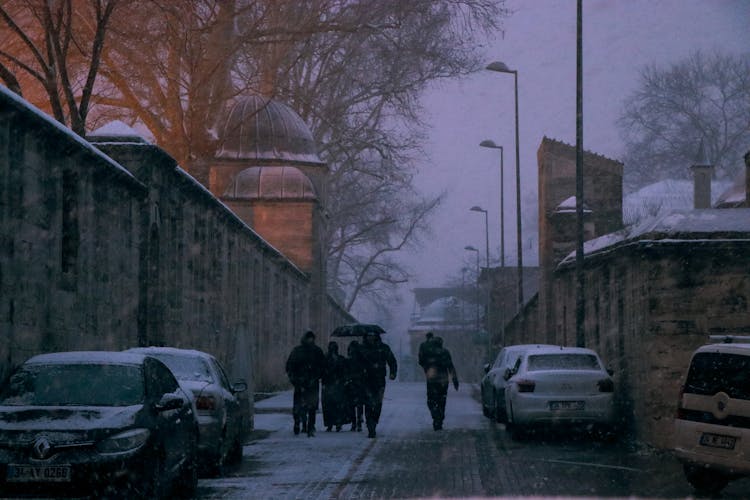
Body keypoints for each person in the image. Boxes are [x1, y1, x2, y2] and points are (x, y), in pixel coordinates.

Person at [285, 331, 326, 437]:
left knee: (311, 407)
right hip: (300, 383)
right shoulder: (297, 351)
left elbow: (323, 366)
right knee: (299, 406)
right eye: (308, 338)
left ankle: (310, 426)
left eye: (311, 338)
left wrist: (317, 376)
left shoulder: (317, 351)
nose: (310, 340)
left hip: (312, 383)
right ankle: (299, 423)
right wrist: (295, 379)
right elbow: (290, 366)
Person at [358, 331, 397, 438]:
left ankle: (374, 420)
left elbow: (392, 360)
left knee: (378, 403)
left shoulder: (383, 348)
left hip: (379, 379)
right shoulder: (361, 349)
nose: (371, 338)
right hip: (366, 379)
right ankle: (371, 425)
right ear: (366, 337)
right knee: (369, 403)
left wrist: (393, 372)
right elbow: (356, 363)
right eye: (369, 336)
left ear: (376, 336)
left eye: (372, 336)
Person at [421, 336, 459, 431]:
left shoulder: (429, 353)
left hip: (432, 380)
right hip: (443, 380)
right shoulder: (445, 352)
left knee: (431, 400)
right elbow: (450, 366)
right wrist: (455, 379)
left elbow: (422, 362)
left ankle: (435, 415)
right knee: (442, 400)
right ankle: (440, 418)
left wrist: (427, 370)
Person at [322, 341, 348, 432]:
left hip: (334, 385)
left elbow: (343, 372)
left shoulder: (336, 359)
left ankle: (334, 423)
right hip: (331, 385)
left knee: (334, 405)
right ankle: (334, 423)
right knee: (332, 405)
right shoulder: (326, 359)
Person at [344, 340, 365, 432]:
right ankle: (358, 422)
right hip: (358, 383)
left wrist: (349, 378)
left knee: (352, 405)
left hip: (352, 383)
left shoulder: (349, 360)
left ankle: (354, 423)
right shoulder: (361, 360)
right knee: (358, 404)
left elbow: (345, 372)